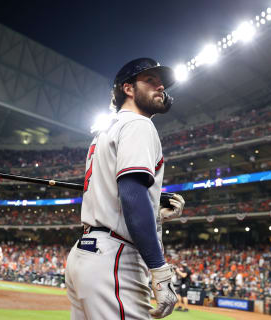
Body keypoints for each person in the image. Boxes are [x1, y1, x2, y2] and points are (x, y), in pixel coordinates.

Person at [65, 57, 185, 319]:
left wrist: (155, 211)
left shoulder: (107, 130)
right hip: (115, 258)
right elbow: (131, 196)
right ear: (128, 89)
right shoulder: (138, 124)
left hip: (86, 252)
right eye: (150, 80)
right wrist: (159, 269)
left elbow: (118, 197)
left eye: (161, 82)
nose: (161, 87)